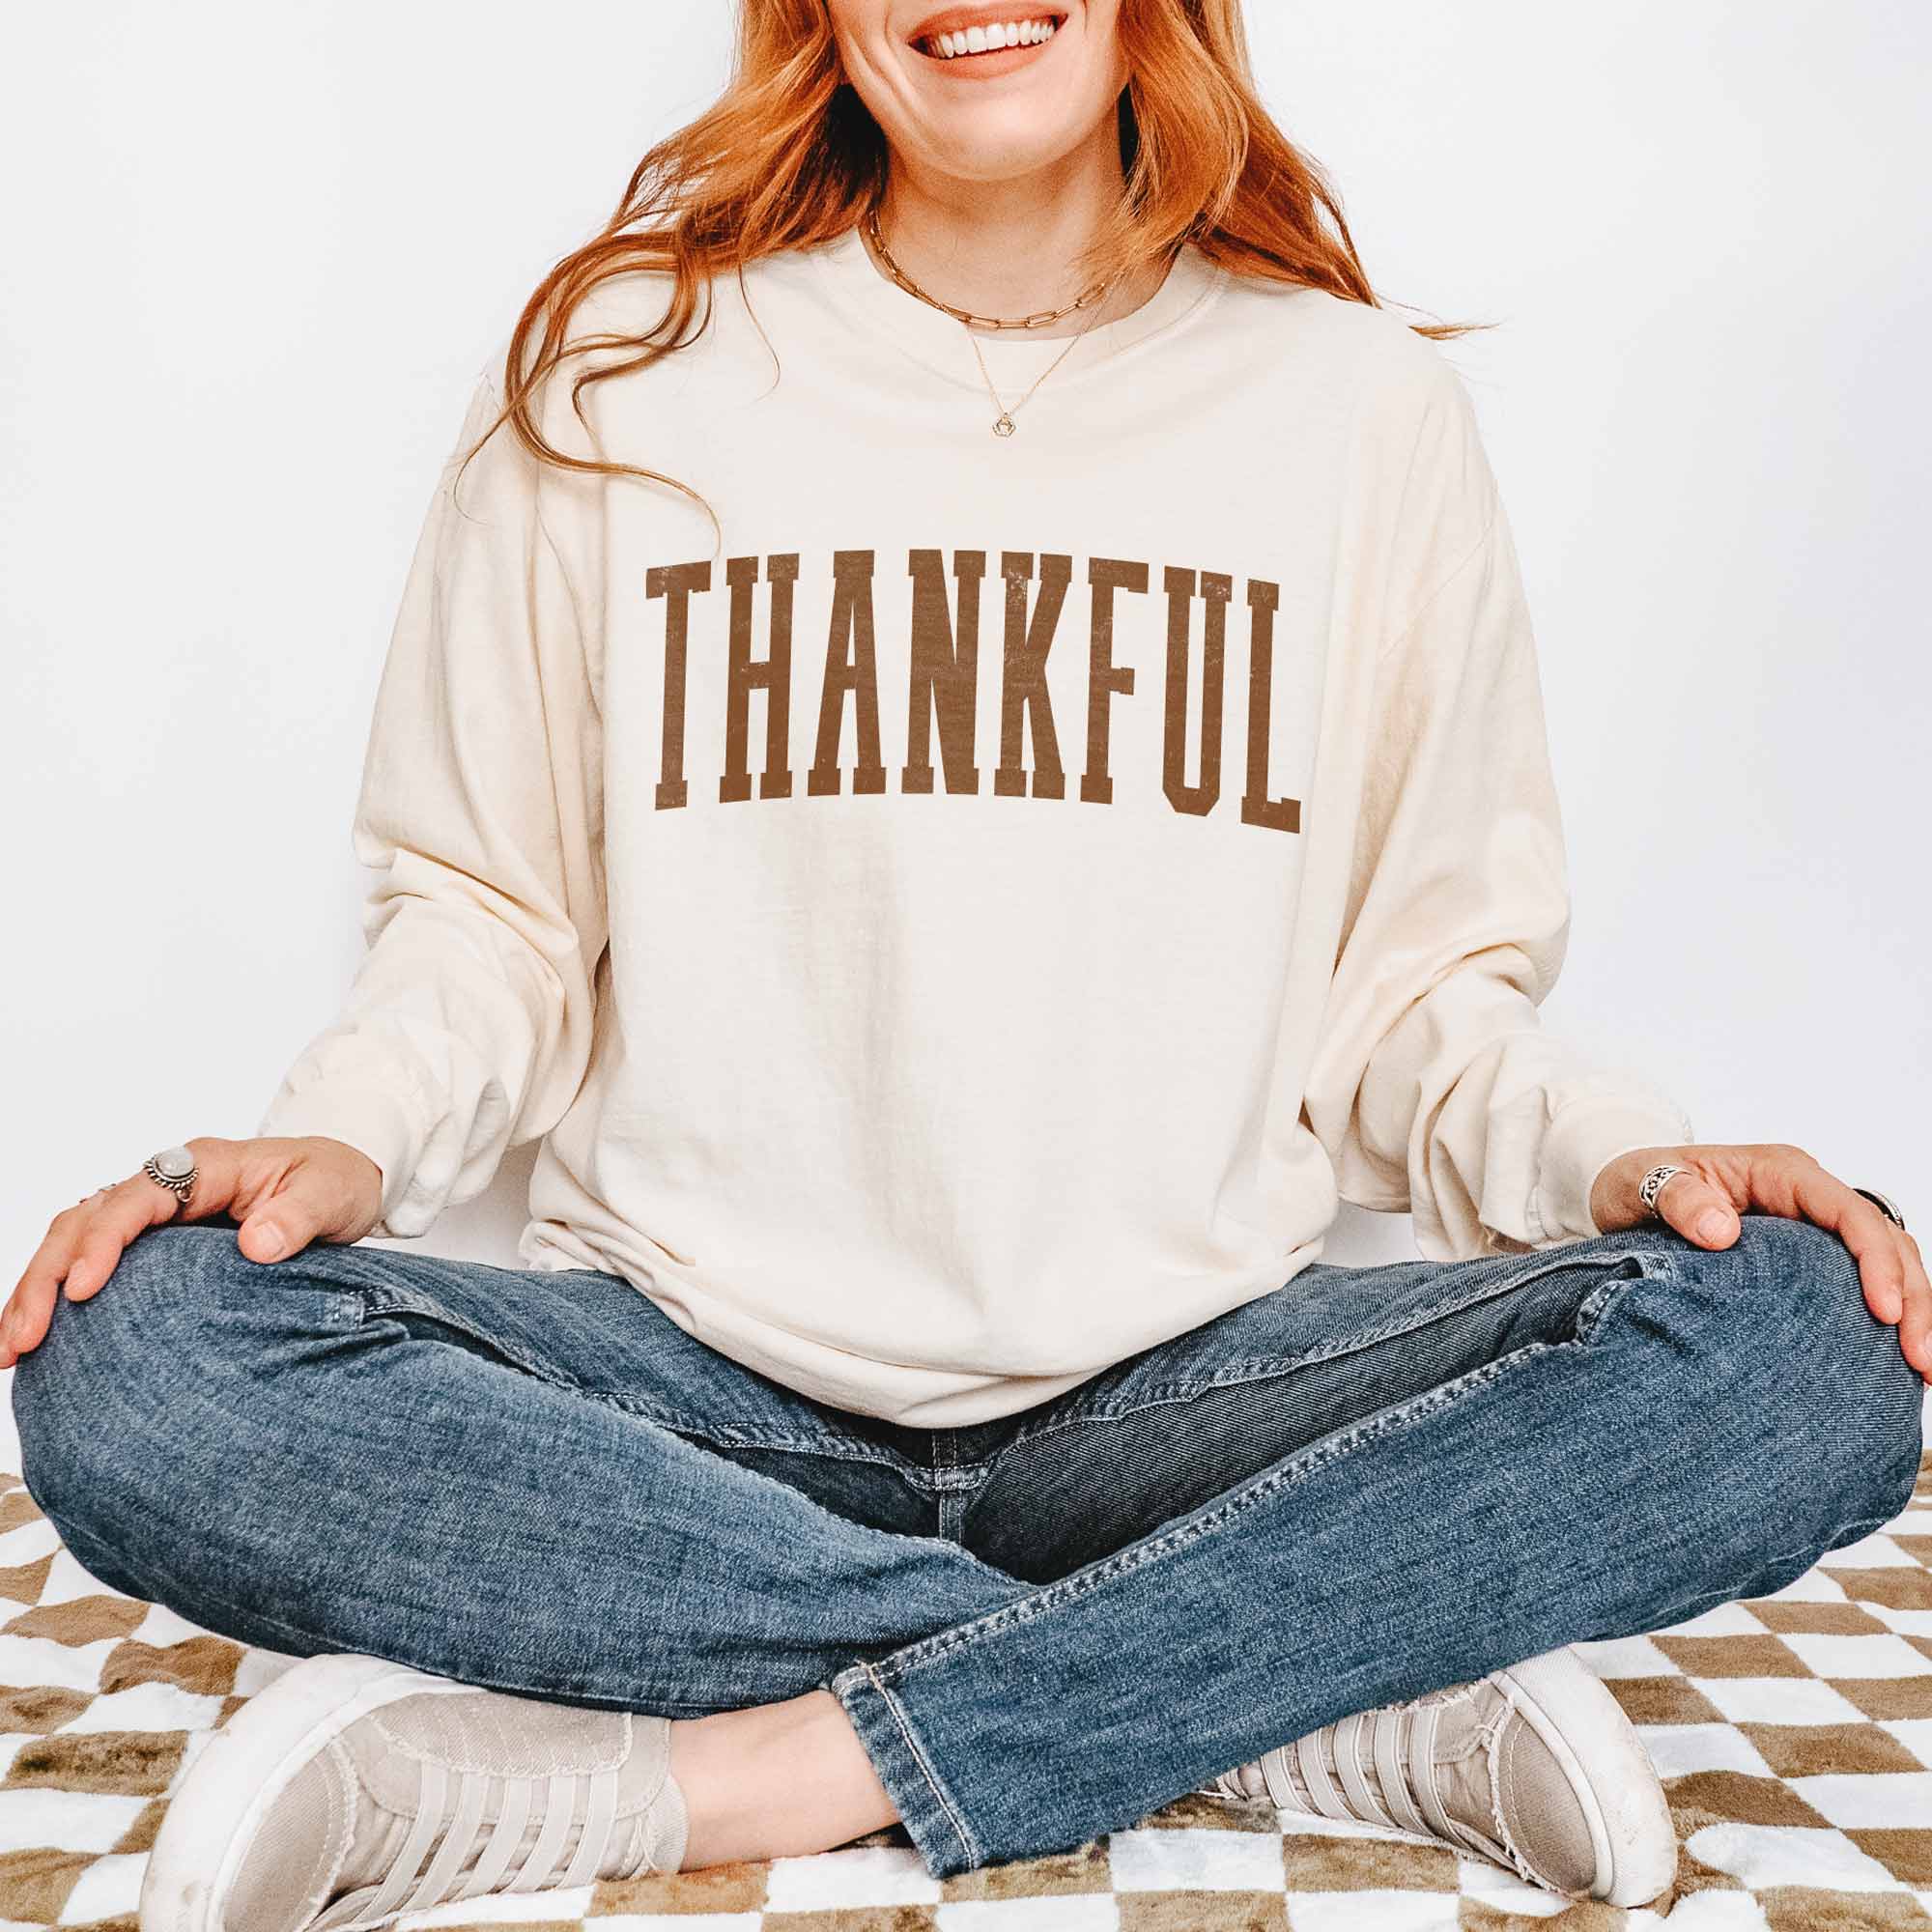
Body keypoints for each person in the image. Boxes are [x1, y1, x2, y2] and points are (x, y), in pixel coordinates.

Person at [8, 3, 1926, 1927]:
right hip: (689, 1392)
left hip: (1182, 1402)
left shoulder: (1355, 415)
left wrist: (1624, 1163)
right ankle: (1282, 1698)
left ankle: (736, 1769)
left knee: (1800, 1340)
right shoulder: (623, 376)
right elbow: (487, 914)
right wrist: (342, 1137)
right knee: (145, 1354)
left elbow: (1424, 998)